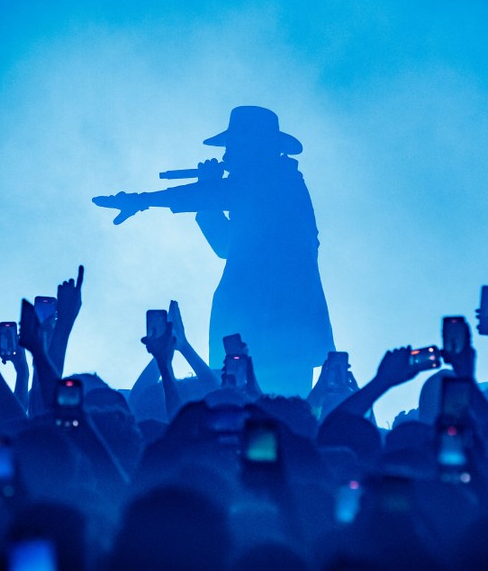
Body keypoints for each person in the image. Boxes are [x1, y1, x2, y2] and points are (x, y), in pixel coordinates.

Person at [93, 106, 335, 396]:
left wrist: (143, 199)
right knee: (233, 409)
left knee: (274, 413)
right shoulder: (262, 189)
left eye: (232, 146)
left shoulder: (278, 182)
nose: (225, 156)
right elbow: (224, 245)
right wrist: (207, 190)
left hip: (277, 327)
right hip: (253, 321)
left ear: (254, 146)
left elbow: (216, 194)